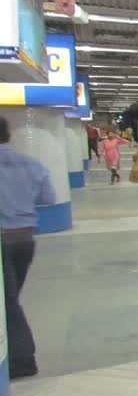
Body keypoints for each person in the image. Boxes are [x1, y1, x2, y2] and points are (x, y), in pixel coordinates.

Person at [0, 115, 56, 379]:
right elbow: (48, 198)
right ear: (8, 135)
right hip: (25, 239)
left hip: (1, 240)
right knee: (10, 299)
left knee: (8, 302)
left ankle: (22, 358)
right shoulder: (31, 164)